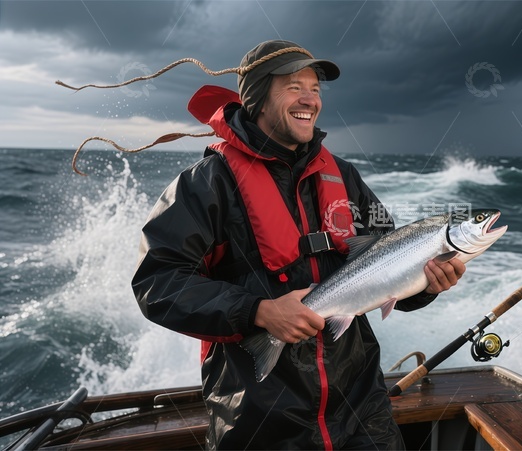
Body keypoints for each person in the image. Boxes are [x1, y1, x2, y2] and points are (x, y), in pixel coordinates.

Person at [131, 40, 466, 450]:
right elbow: (157, 283)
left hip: (363, 413)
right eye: (294, 87)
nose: (310, 99)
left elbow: (392, 267)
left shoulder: (345, 177)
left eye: (315, 89)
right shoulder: (206, 184)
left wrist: (428, 284)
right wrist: (258, 311)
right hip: (259, 422)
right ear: (257, 99)